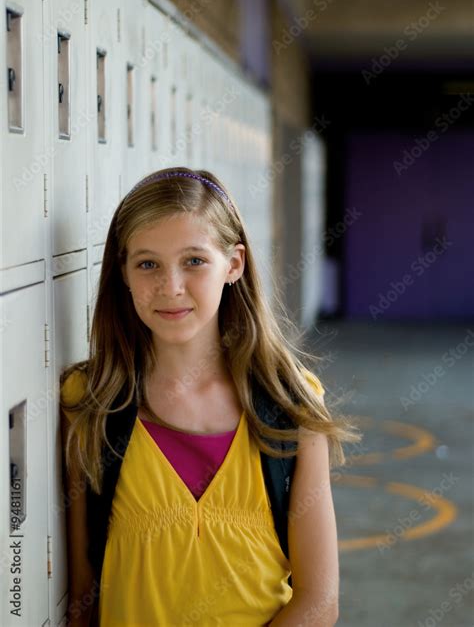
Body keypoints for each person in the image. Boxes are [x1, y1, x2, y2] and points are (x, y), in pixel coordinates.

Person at [60, 166, 361, 626]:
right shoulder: (91, 402)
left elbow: (319, 602)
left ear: (233, 264)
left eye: (194, 261)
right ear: (122, 272)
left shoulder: (290, 401)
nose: (171, 286)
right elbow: (83, 595)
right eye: (147, 264)